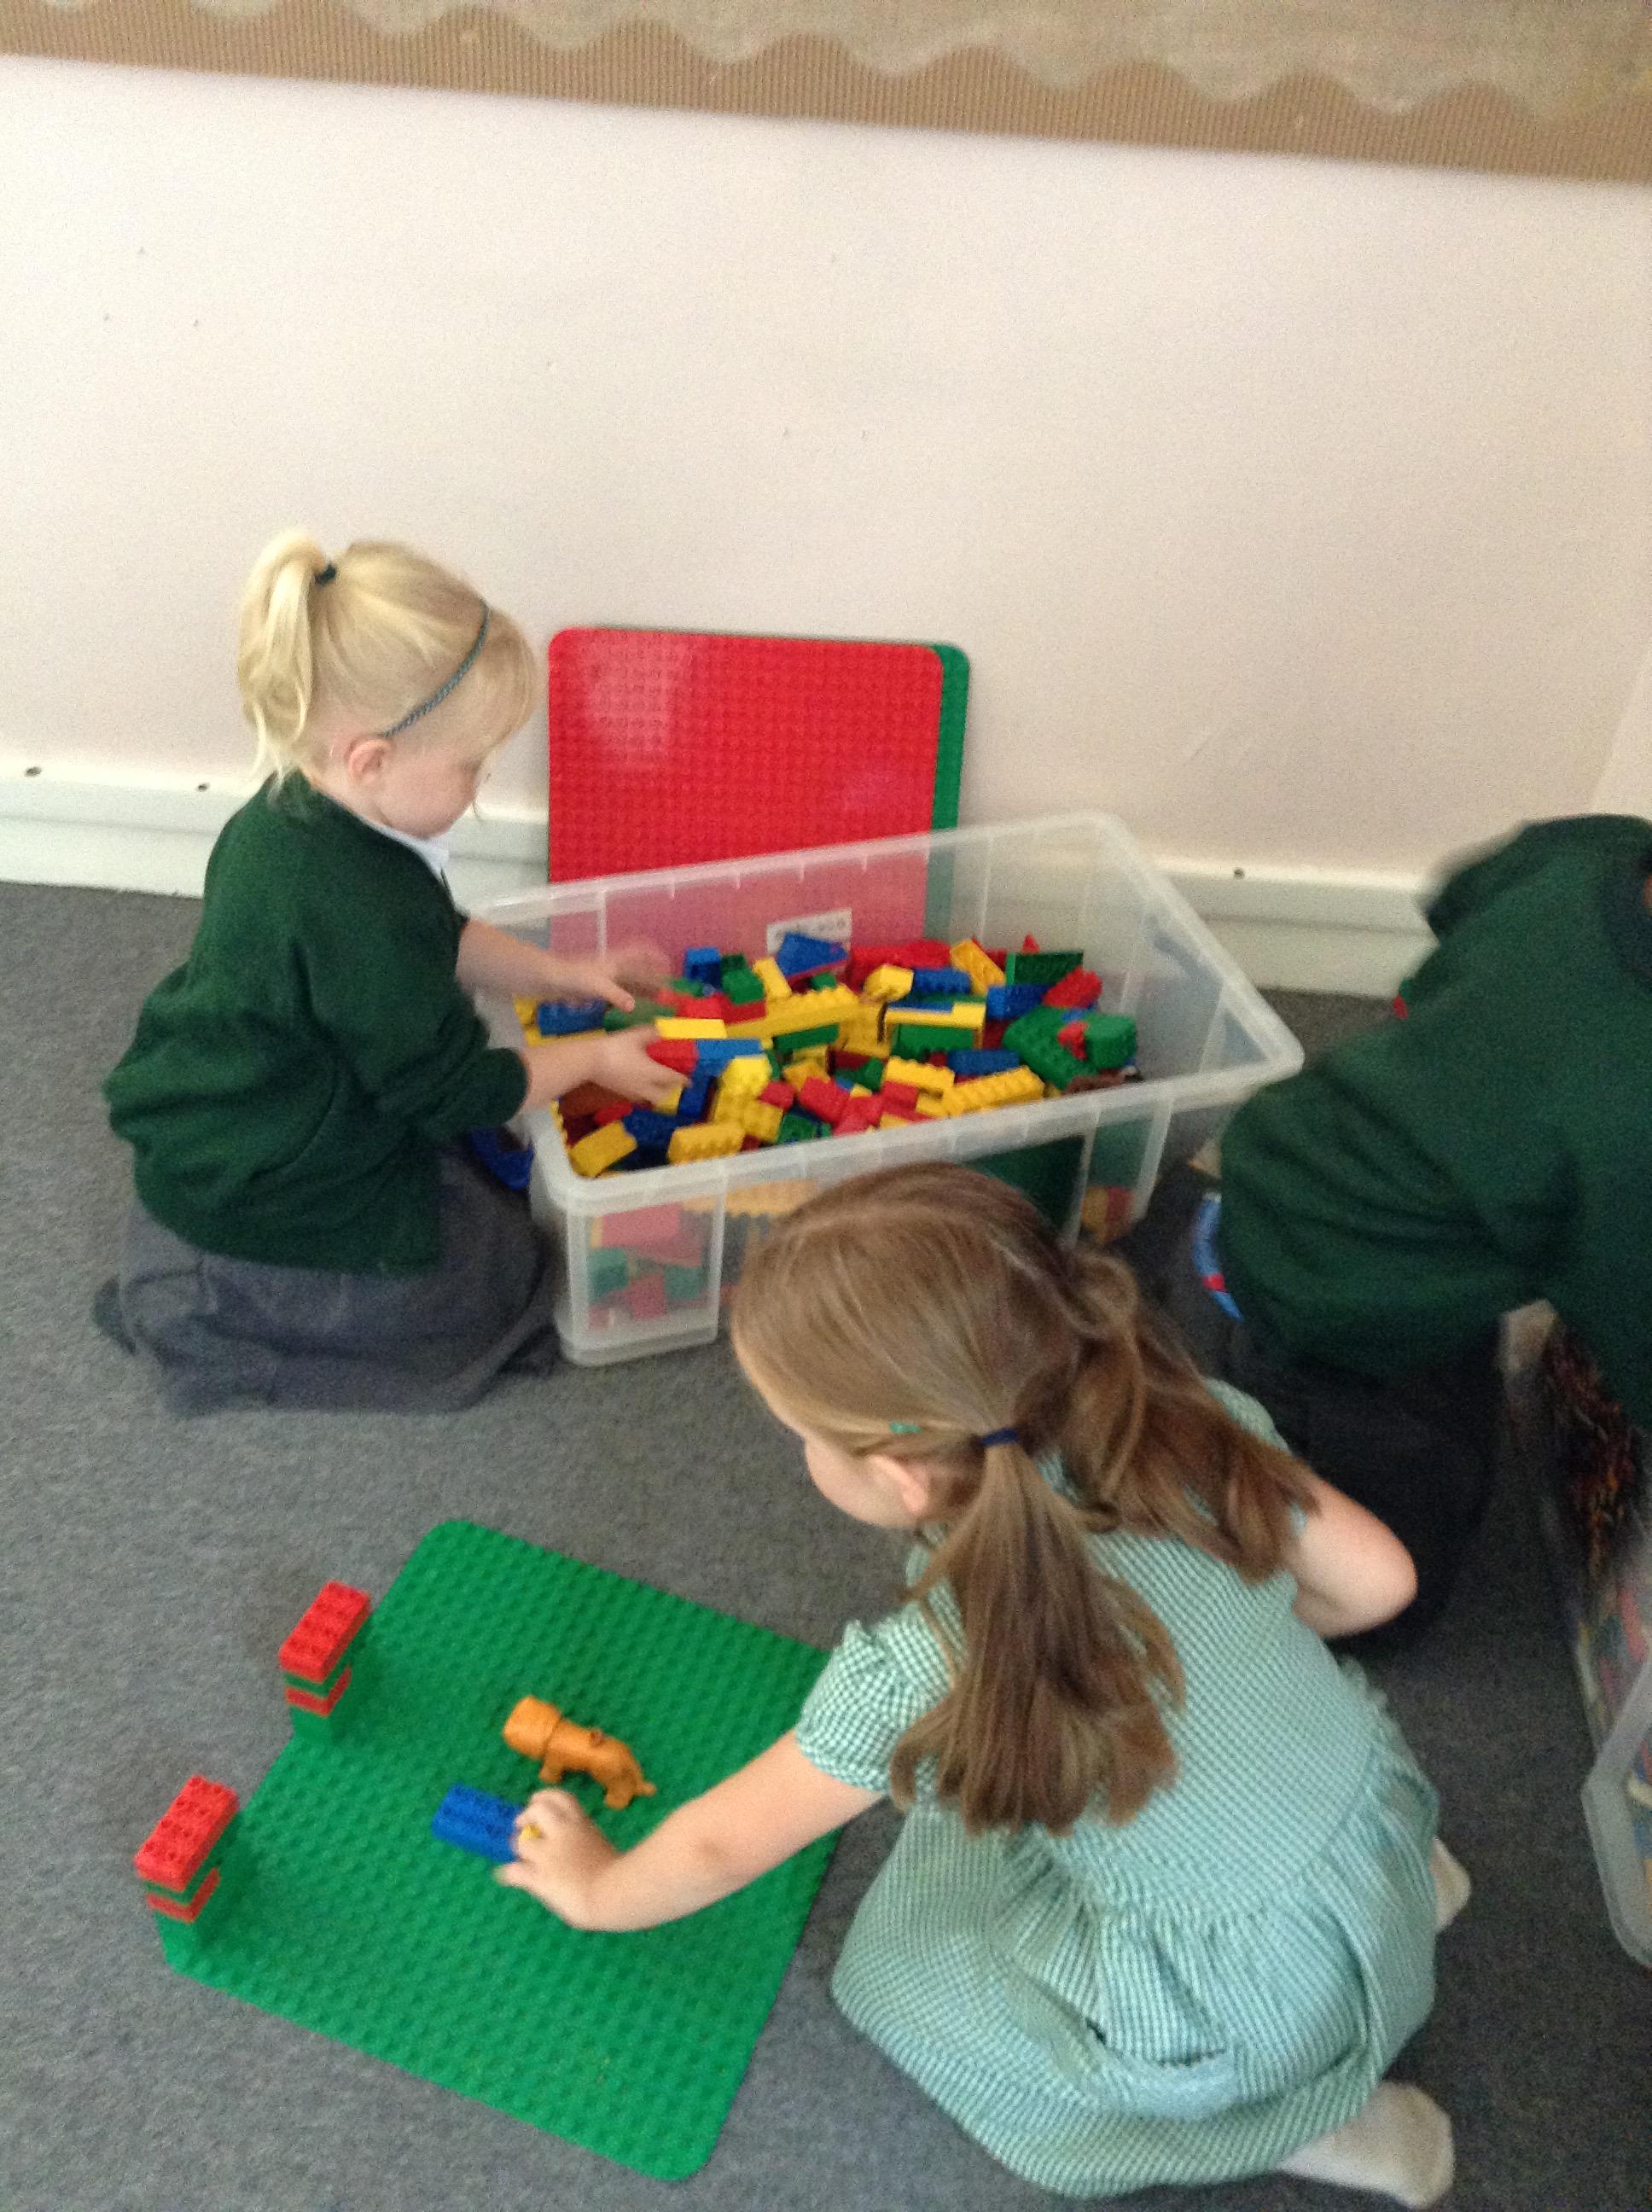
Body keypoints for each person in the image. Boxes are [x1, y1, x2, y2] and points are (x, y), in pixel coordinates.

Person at [497, 1164, 1464, 2205]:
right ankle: (1402, 1913)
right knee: (1052, 1798)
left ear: (901, 1477)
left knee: (890, 1978)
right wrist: (1232, 1637)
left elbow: (718, 1847)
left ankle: (1305, 2122)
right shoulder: (1192, 1423)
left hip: (1239, 2005)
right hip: (1374, 1834)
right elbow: (1381, 1582)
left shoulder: (924, 1670)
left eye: (803, 1437)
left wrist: (597, 1891)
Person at [101, 530, 676, 1413]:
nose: (481, 785)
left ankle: (207, 1272)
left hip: (269, 1108)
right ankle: (205, 1313)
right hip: (266, 1173)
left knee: (485, 1198)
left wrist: (561, 973)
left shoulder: (301, 811)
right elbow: (454, 1091)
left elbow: (437, 932)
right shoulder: (350, 903)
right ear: (372, 760)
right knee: (497, 1290)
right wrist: (594, 1059)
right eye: (471, 766)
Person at [1125, 812, 1652, 1641]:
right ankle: (1170, 1485)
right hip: (1301, 1328)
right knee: (1398, 1597)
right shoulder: (1632, 1119)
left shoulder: (1594, 856)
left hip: (1256, 1172)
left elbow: (1461, 897)